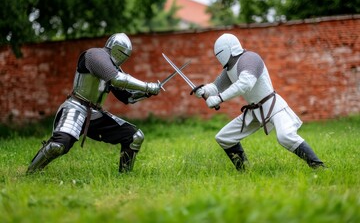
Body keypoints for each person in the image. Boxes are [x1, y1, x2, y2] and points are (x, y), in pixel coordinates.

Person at [27, 33, 161, 174]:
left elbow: (128, 97)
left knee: (134, 136)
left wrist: (147, 93)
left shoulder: (112, 68)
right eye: (122, 52)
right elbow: (117, 79)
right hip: (76, 107)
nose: (123, 57)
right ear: (114, 48)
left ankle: (125, 176)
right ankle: (31, 172)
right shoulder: (94, 55)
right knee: (58, 146)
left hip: (95, 114)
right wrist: (147, 86)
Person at [193, 33, 324, 171]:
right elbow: (216, 87)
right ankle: (244, 171)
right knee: (224, 137)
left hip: (272, 106)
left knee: (285, 136)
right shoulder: (229, 69)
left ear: (229, 48)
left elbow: (245, 83)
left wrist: (219, 99)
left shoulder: (250, 59)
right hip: (254, 111)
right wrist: (203, 90)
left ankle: (319, 166)